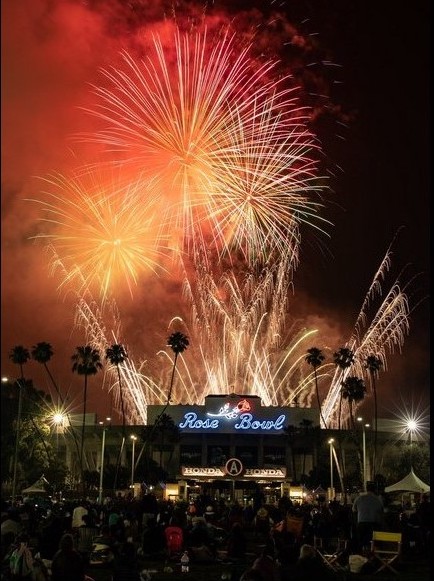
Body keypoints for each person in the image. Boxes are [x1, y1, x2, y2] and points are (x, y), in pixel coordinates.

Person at [352, 482, 384, 552]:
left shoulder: (359, 498)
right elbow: (381, 512)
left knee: (362, 542)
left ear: (366, 488)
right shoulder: (378, 499)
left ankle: (362, 554)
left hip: (362, 523)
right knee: (374, 542)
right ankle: (374, 556)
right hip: (374, 524)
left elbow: (354, 510)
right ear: (374, 489)